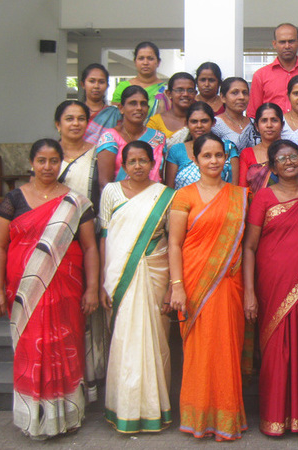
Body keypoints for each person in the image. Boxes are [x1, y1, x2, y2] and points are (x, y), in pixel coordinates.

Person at [0, 139, 98, 439]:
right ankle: (33, 418)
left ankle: (66, 417)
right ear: (32, 163)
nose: (48, 167)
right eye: (42, 161)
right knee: (30, 351)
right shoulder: (14, 200)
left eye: (54, 161)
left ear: (61, 163)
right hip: (25, 292)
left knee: (64, 347)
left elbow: (89, 248)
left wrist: (91, 288)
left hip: (66, 290)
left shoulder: (75, 202)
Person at [168, 133, 249, 441]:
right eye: (207, 156)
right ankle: (198, 417)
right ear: (196, 160)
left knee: (227, 349)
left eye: (219, 155)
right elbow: (174, 244)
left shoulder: (240, 194)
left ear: (226, 159)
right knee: (198, 352)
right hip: (193, 282)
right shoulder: (184, 196)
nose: (214, 161)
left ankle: (227, 417)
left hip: (228, 284)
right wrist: (176, 287)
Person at [242, 140, 298, 436]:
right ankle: (274, 417)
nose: (288, 162)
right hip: (271, 284)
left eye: (294, 156)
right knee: (276, 349)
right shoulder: (263, 198)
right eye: (281, 158)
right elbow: (249, 248)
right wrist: (249, 292)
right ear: (273, 167)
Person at [100, 140, 175, 434]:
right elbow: (106, 236)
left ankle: (155, 409)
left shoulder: (165, 196)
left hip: (155, 274)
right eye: (132, 162)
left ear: (153, 163)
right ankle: (124, 409)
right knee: (124, 342)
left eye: (144, 161)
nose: (138, 166)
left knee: (155, 341)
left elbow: (173, 242)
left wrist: (171, 286)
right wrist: (103, 281)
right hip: (119, 277)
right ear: (123, 164)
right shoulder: (111, 192)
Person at [55, 100, 108, 401]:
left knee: (89, 311)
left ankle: (86, 381)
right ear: (57, 124)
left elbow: (101, 192)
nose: (75, 123)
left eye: (81, 118)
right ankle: (57, 379)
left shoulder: (96, 153)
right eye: (69, 118)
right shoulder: (48, 155)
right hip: (53, 241)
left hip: (86, 238)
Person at [248, 23, 298, 117]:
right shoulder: (261, 75)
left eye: (291, 41)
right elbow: (253, 114)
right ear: (274, 44)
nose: (287, 46)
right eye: (282, 42)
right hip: (271, 130)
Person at [96, 86, 167, 187]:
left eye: (143, 104)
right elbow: (104, 183)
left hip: (155, 199)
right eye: (133, 103)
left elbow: (161, 177)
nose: (139, 108)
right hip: (121, 200)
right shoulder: (110, 138)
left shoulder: (158, 138)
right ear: (121, 108)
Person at [165, 102, 239, 189]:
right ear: (186, 123)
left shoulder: (228, 148)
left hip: (223, 201)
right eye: (194, 122)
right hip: (183, 201)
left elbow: (235, 188)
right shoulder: (176, 150)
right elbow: (169, 189)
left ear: (213, 122)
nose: (199, 126)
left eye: (204, 121)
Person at [111, 42, 168, 121]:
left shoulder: (166, 90)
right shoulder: (123, 87)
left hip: (157, 132)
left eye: (150, 58)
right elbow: (115, 117)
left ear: (158, 62)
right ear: (135, 62)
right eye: (141, 58)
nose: (145, 63)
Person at [239, 103, 283, 194]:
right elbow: (242, 191)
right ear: (256, 126)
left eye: (274, 120)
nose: (269, 125)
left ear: (282, 125)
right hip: (255, 207)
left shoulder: (294, 153)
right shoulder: (247, 154)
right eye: (264, 121)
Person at [146, 72, 197, 147]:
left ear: (195, 93)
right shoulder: (155, 122)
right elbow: (150, 151)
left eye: (190, 90)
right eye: (180, 90)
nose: (185, 94)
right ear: (169, 93)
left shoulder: (200, 120)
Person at [213, 77, 259, 151]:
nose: (241, 97)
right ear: (222, 97)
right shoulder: (215, 125)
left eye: (245, 93)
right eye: (235, 93)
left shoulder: (255, 124)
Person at [80, 63, 121, 145]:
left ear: (107, 85)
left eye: (101, 82)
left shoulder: (115, 114)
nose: (96, 86)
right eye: (92, 81)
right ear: (83, 84)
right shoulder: (75, 112)